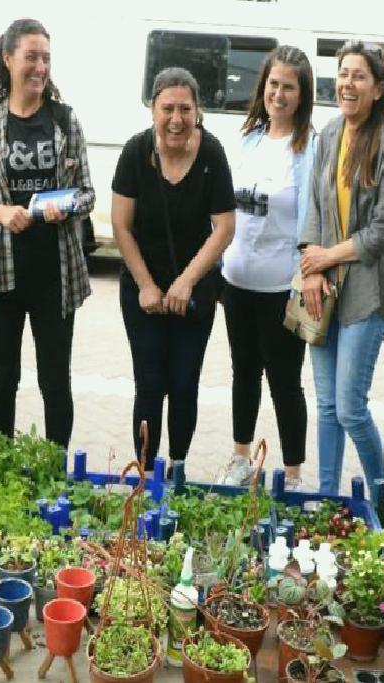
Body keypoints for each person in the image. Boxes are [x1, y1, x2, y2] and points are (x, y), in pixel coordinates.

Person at [0, 18, 94, 448]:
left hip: (56, 277)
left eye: (46, 58)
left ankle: (55, 468)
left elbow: (87, 193)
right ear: (8, 59)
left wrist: (65, 207)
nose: (40, 67)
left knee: (55, 381)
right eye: (31, 57)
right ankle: (2, 464)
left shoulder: (65, 121)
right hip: (1, 277)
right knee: (2, 380)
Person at [297, 42, 384, 497]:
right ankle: (327, 497)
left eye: (359, 76)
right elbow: (313, 206)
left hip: (365, 295)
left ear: (378, 89)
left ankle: (380, 495)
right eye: (343, 73)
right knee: (325, 406)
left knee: (349, 408)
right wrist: (311, 268)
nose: (348, 83)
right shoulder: (329, 133)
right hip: (322, 289)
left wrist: (327, 257)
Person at [111, 67, 235, 473]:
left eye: (185, 109)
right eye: (168, 109)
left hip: (194, 288)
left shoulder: (212, 153)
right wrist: (147, 286)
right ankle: (146, 476)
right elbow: (120, 226)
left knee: (184, 384)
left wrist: (186, 282)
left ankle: (178, 469)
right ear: (153, 110)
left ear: (197, 112)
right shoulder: (135, 152)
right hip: (142, 286)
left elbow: (225, 227)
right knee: (149, 385)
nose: (176, 119)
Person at [217, 46, 316, 490]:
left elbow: (314, 219)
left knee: (285, 383)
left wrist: (305, 273)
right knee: (243, 374)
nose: (278, 94)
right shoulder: (247, 140)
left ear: (302, 94)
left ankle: (293, 475)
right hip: (237, 282)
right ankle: (240, 460)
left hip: (282, 289)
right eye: (273, 84)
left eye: (288, 87)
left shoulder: (310, 148)